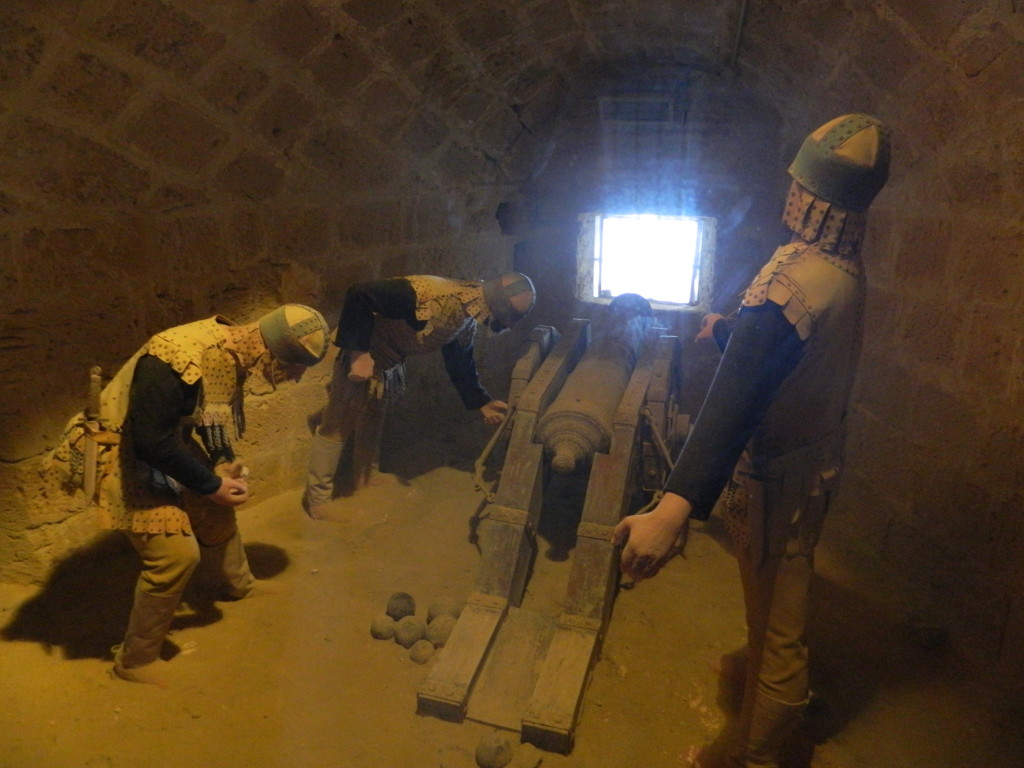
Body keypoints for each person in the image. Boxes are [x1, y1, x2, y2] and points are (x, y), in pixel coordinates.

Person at [612, 114, 891, 767]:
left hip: (775, 482)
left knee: (779, 635)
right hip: (815, 461)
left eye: (796, 182)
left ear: (806, 191)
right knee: (770, 606)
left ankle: (760, 754)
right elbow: (778, 356)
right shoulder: (841, 269)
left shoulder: (787, 283)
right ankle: (764, 709)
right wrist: (732, 331)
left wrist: (673, 508)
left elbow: (732, 406)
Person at [54, 304, 330, 686]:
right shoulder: (173, 358)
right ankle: (135, 661)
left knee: (217, 516)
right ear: (271, 351)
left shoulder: (232, 350)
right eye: (294, 366)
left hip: (167, 442)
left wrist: (223, 461)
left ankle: (239, 585)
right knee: (175, 557)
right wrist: (211, 485)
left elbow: (210, 416)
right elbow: (150, 440)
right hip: (124, 450)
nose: (296, 377)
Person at [303, 272, 536, 518]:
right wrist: (359, 354)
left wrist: (482, 402)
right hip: (363, 355)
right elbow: (359, 294)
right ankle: (319, 501)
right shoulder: (430, 294)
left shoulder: (466, 315)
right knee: (338, 423)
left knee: (373, 416)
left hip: (387, 362)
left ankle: (366, 477)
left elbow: (459, 361)